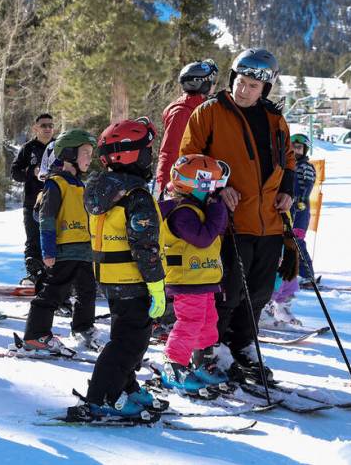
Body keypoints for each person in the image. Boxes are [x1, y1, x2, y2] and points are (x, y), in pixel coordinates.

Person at [178, 48, 296, 383]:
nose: (244, 90)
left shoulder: (274, 119)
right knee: (226, 292)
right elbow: (187, 161)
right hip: (227, 221)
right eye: (241, 83)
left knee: (258, 293)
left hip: (269, 221)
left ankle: (244, 348)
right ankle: (211, 350)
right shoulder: (209, 112)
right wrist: (216, 188)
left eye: (253, 87)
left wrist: (288, 189)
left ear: (265, 90)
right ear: (233, 80)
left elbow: (288, 160)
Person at [68, 118, 167, 422]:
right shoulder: (135, 196)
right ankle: (100, 399)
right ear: (131, 155)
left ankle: (128, 388)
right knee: (128, 343)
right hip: (135, 280)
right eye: (148, 150)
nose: (151, 155)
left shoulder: (103, 191)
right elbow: (144, 246)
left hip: (112, 280)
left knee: (128, 339)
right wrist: (156, 285)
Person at [21, 129, 99, 353]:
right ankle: (36, 335)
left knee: (87, 291)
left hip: (84, 250)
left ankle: (83, 327)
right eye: (85, 152)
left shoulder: (80, 186)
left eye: (91, 153)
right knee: (54, 292)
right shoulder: (56, 184)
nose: (89, 158)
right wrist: (47, 251)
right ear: (69, 154)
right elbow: (46, 218)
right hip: (63, 250)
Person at [158, 154, 231, 394]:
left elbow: (215, 232)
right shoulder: (182, 212)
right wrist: (218, 207)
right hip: (187, 279)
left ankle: (202, 361)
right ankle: (174, 363)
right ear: (198, 184)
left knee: (208, 321)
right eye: (212, 185)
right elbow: (203, 238)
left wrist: (216, 210)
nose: (215, 190)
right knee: (190, 322)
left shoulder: (198, 207)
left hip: (203, 278)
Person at [264, 133, 316, 327]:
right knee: (277, 262)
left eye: (299, 148)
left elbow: (306, 188)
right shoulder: (280, 167)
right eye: (292, 147)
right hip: (277, 220)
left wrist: (299, 199)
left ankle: (283, 304)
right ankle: (267, 305)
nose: (295, 151)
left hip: (295, 217)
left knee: (291, 257)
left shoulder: (305, 168)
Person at [155, 61, 219, 195]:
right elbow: (169, 152)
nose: (215, 85)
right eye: (213, 82)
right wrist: (164, 189)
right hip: (183, 184)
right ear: (202, 84)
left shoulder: (203, 108)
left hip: (199, 177)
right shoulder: (182, 113)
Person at [11, 113, 55, 289]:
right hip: (32, 203)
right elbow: (15, 173)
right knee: (34, 240)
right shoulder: (27, 148)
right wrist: (32, 172)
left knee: (55, 239)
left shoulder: (59, 147)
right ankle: (34, 275)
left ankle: (55, 276)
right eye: (43, 125)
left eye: (50, 125)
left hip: (56, 202)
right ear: (35, 128)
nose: (47, 129)